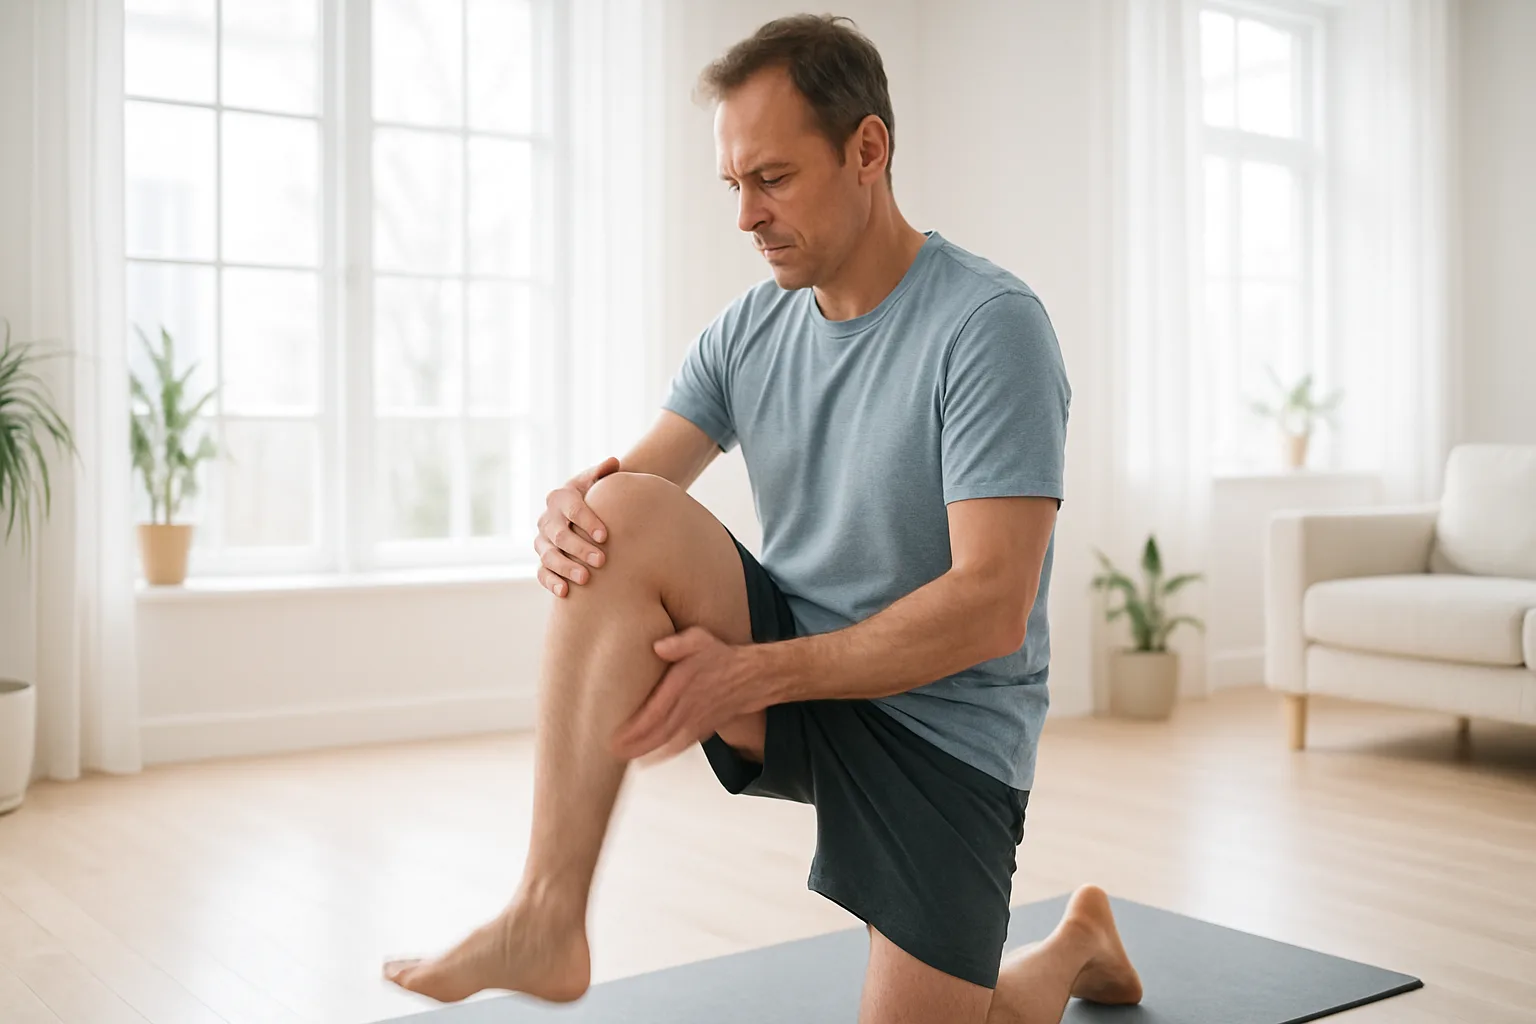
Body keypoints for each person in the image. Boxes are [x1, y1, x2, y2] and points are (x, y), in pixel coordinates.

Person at [384, 14, 1143, 1023]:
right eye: (733, 184)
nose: (745, 215)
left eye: (773, 178)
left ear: (867, 149)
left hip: (945, 734)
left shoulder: (989, 327)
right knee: (622, 516)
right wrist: (570, 516)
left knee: (971, 1013)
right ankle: (545, 913)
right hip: (805, 686)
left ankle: (1076, 941)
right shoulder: (749, 328)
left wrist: (752, 672)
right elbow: (633, 496)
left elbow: (991, 607)